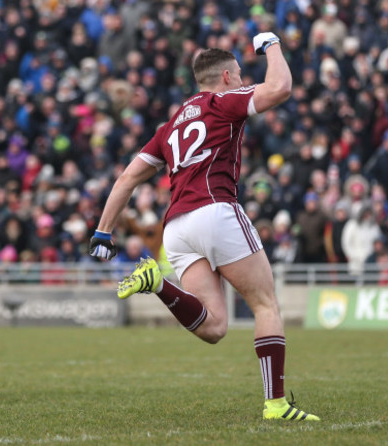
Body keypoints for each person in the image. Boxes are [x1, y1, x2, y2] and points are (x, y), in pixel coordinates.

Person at [89, 35, 319, 421]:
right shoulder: (221, 103)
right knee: (265, 304)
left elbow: (127, 178)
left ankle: (158, 283)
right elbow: (280, 87)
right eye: (242, 75)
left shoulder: (171, 124)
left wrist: (102, 232)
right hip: (216, 211)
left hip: (177, 227)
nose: (245, 81)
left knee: (213, 327)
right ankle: (276, 405)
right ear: (226, 76)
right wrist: (272, 44)